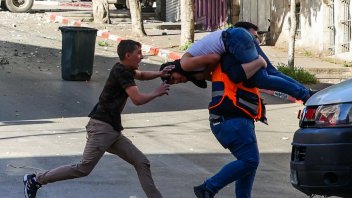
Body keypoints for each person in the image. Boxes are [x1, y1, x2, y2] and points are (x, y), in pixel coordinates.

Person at [23, 40, 172, 198]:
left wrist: (160, 74)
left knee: (142, 162)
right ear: (128, 55)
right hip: (102, 128)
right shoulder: (122, 71)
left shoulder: (124, 68)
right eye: (138, 53)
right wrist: (158, 91)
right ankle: (36, 180)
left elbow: (141, 75)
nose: (141, 57)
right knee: (83, 168)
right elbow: (137, 99)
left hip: (111, 130)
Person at [160, 52, 266, 198]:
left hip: (233, 118)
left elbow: (217, 65)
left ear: (173, 68)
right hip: (231, 119)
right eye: (173, 82)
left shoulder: (193, 66)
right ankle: (208, 188)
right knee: (250, 161)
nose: (177, 81)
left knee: (247, 164)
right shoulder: (192, 68)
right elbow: (217, 62)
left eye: (173, 78)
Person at [178, 21, 315, 103]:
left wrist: (204, 74)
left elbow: (214, 58)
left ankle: (304, 96)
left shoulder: (185, 63)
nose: (177, 82)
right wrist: (205, 76)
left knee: (262, 79)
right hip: (237, 36)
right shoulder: (192, 63)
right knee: (272, 72)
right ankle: (308, 92)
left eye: (174, 79)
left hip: (234, 39)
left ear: (176, 70)